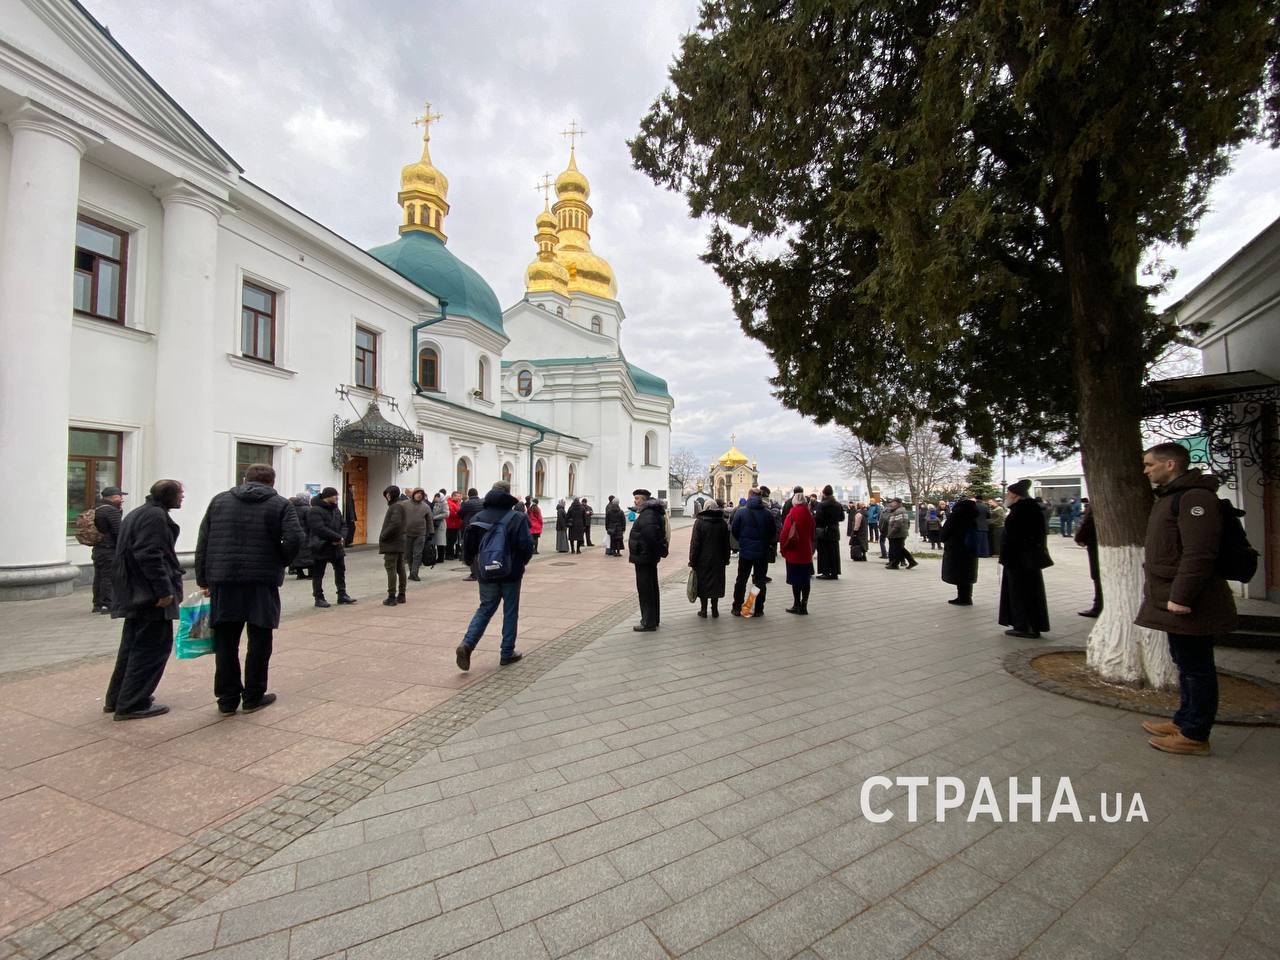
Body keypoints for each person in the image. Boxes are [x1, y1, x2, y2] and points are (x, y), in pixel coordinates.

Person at [1135, 443, 1237, 756]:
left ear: (1170, 464)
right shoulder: (1171, 496)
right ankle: (1184, 720)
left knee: (1197, 668)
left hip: (1191, 600)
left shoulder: (1194, 498)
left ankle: (1195, 734)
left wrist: (1181, 596)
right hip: (1172, 596)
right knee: (1184, 662)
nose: (1146, 470)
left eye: (1150, 464)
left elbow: (1199, 553)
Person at [196, 463, 302, 716]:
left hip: (224, 580)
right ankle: (253, 696)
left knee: (225, 643)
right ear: (272, 482)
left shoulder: (219, 501)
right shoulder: (280, 504)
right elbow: (295, 538)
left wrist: (203, 579)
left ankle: (227, 698)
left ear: (244, 479)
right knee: (260, 640)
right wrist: (280, 561)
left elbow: (204, 540)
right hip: (261, 582)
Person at [103, 479, 184, 720]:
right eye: (180, 493)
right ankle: (133, 703)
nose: (183, 498)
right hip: (149, 595)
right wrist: (163, 591)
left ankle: (118, 698)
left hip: (135, 592)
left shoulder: (139, 513)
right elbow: (149, 555)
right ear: (169, 495)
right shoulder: (155, 517)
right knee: (151, 648)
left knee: (131, 646)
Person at [455, 481, 535, 671]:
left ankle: (467, 644)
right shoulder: (517, 517)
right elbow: (526, 546)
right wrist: (520, 563)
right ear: (507, 495)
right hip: (511, 572)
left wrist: (474, 565)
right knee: (510, 611)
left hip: (486, 573)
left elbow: (468, 550)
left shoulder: (478, 517)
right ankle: (507, 652)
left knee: (485, 608)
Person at [997, 479, 1051, 638]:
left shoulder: (1022, 511)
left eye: (1008, 493)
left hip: (1020, 560)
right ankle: (1028, 624)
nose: (1006, 496)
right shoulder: (1029, 508)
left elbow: (1017, 537)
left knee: (1021, 592)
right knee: (1027, 591)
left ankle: (1025, 626)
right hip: (1025, 559)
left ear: (1015, 495)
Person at [731, 488, 777, 617]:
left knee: (741, 580)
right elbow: (773, 532)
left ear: (749, 496)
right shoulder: (767, 514)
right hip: (762, 552)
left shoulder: (741, 512)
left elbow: (734, 530)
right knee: (759, 581)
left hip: (745, 552)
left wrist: (742, 541)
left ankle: (737, 607)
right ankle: (757, 608)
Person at [308, 487, 356, 608]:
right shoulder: (315, 510)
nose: (336, 497)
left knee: (340, 570)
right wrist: (336, 538)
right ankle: (318, 597)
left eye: (337, 495)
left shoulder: (336, 509)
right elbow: (319, 528)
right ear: (326, 496)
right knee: (319, 573)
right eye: (334, 495)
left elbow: (344, 525)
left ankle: (342, 594)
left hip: (336, 546)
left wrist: (341, 538)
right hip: (321, 545)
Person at [628, 488, 668, 631]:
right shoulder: (651, 512)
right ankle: (653, 619)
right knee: (651, 588)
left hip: (644, 557)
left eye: (637, 498)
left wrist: (654, 552)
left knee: (646, 590)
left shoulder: (647, 515)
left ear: (644, 500)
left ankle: (648, 622)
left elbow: (651, 537)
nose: (635, 501)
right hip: (647, 557)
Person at [688, 498, 730, 617]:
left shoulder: (699, 522)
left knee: (703, 583)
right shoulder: (722, 523)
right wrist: (726, 558)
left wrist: (692, 560)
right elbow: (726, 543)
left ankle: (704, 610)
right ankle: (715, 610)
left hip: (703, 560)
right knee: (716, 583)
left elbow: (695, 544)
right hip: (719, 559)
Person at [91, 485, 125, 613]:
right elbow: (118, 531)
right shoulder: (111, 511)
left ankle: (97, 603)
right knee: (108, 576)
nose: (121, 499)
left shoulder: (97, 508)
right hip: (109, 549)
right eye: (119, 497)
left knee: (99, 576)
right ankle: (107, 604)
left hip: (98, 549)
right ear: (113, 497)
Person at [780, 491, 816, 614]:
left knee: (795, 580)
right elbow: (812, 534)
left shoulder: (791, 515)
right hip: (806, 552)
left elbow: (785, 534)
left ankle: (796, 604)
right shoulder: (809, 515)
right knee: (805, 580)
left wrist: (783, 550)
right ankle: (804, 605)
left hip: (793, 552)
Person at [941, 493, 979, 605]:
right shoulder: (973, 518)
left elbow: (944, 533)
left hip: (956, 549)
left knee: (959, 573)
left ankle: (962, 598)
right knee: (967, 572)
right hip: (970, 549)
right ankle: (967, 597)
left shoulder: (955, 517)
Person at [378, 485, 409, 606]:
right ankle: (401, 595)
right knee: (400, 568)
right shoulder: (399, 505)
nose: (387, 496)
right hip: (399, 541)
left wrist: (384, 535)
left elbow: (395, 523)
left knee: (392, 568)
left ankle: (392, 596)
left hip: (393, 542)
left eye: (388, 494)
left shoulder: (396, 506)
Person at [1074, 497, 1102, 617]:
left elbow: (1088, 523)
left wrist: (1079, 537)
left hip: (1096, 546)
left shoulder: (1097, 504)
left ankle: (1098, 606)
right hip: (1100, 545)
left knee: (1098, 577)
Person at [813, 485, 845, 580]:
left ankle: (825, 572)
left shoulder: (822, 505)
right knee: (834, 552)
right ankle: (835, 572)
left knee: (824, 552)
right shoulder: (838, 504)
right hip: (834, 531)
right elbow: (842, 517)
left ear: (824, 493)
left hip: (824, 531)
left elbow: (818, 518)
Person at [404, 488, 432, 581]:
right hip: (407, 533)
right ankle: (412, 571)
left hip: (420, 534)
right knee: (408, 554)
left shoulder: (425, 506)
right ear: (413, 494)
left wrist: (431, 532)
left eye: (421, 494)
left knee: (417, 554)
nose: (419, 495)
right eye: (417, 493)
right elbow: (399, 517)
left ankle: (414, 573)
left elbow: (429, 521)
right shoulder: (405, 504)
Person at [884, 497, 918, 569]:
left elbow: (898, 524)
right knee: (900, 549)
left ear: (897, 503)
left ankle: (895, 564)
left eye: (893, 502)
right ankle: (911, 562)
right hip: (899, 533)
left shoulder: (899, 511)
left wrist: (891, 532)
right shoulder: (897, 511)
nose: (891, 504)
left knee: (898, 549)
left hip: (898, 534)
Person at [287, 494, 313, 581]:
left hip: (295, 535)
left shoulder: (290, 509)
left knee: (296, 555)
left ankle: (300, 574)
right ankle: (311, 574)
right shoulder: (307, 509)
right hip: (307, 535)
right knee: (309, 555)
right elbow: (310, 523)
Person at [431, 491, 448, 564]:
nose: (436, 498)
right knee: (435, 541)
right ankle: (434, 557)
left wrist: (435, 517)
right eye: (435, 497)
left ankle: (441, 558)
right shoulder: (433, 503)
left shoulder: (444, 503)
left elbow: (446, 514)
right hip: (434, 524)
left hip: (440, 524)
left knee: (440, 541)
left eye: (438, 497)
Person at [445, 491, 462, 559]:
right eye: (457, 496)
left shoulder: (456, 503)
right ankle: (449, 554)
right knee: (450, 540)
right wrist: (460, 514)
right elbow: (452, 513)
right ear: (453, 496)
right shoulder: (449, 503)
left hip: (455, 524)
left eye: (459, 496)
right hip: (451, 525)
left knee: (453, 540)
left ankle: (451, 554)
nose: (459, 497)